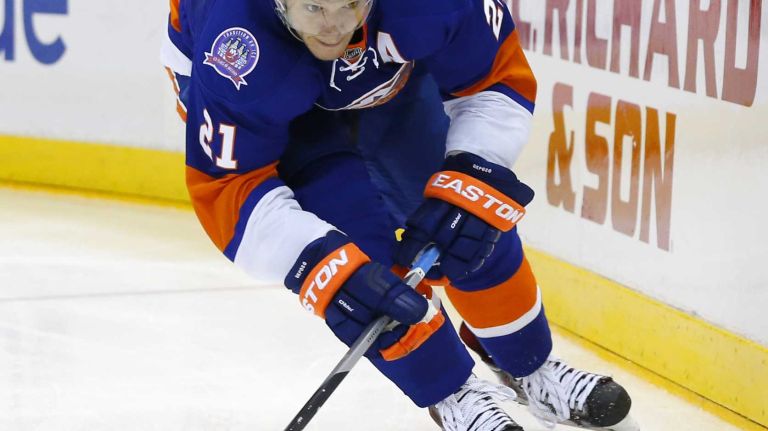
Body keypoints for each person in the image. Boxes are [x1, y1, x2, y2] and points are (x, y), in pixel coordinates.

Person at [161, 0, 637, 429]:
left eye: (350, 5)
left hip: (388, 83)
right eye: (315, 8)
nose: (334, 27)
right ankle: (453, 393)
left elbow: (494, 78)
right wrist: (316, 263)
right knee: (360, 269)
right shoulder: (233, 52)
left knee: (466, 216)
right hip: (277, 108)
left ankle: (531, 365)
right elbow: (228, 185)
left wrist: (474, 173)